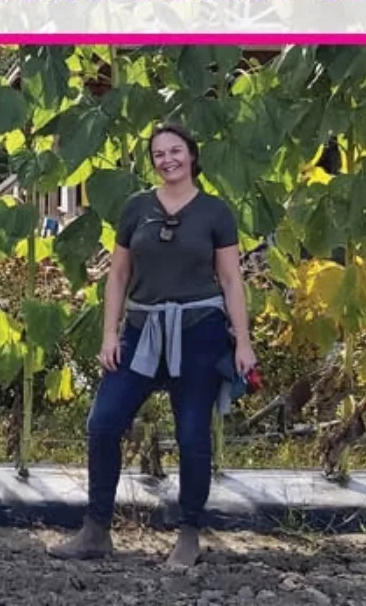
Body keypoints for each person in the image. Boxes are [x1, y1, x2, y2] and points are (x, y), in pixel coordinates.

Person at [48, 124, 256, 567]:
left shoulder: (216, 212)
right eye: (159, 154)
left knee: (192, 433)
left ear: (192, 155)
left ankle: (189, 533)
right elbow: (118, 274)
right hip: (141, 331)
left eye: (175, 151)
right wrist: (110, 333)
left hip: (199, 330)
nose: (168, 160)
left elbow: (232, 279)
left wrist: (243, 341)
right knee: (104, 422)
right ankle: (96, 530)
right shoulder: (136, 208)